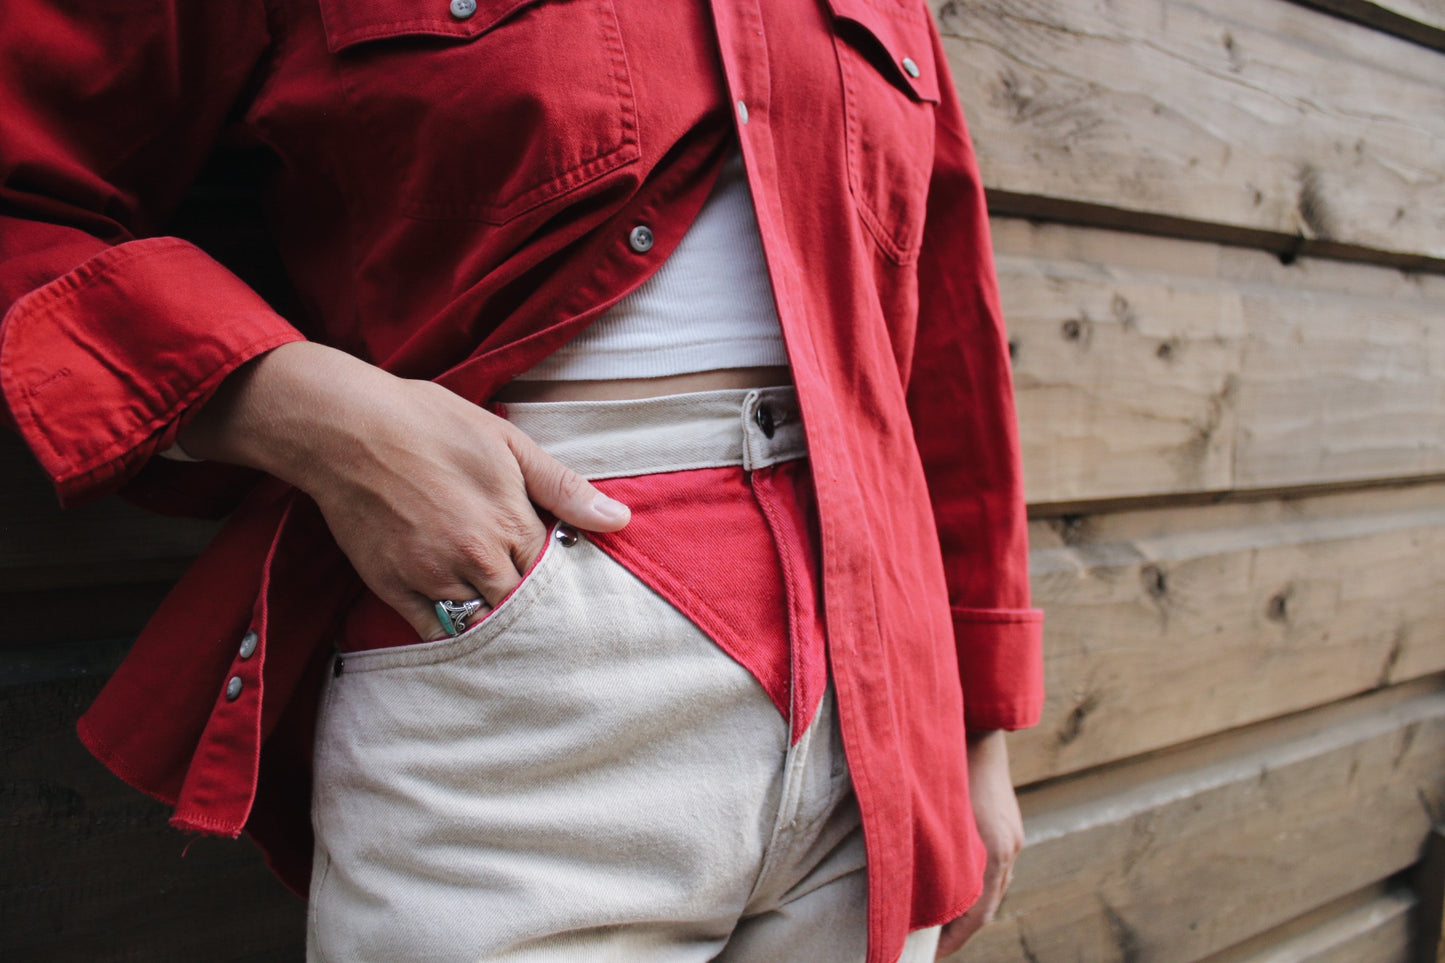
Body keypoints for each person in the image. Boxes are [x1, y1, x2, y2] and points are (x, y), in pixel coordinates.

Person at [0, 0, 1043, 960]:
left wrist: (974, 732)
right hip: (521, 628)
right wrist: (310, 413)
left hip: (878, 682)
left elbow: (945, 337)